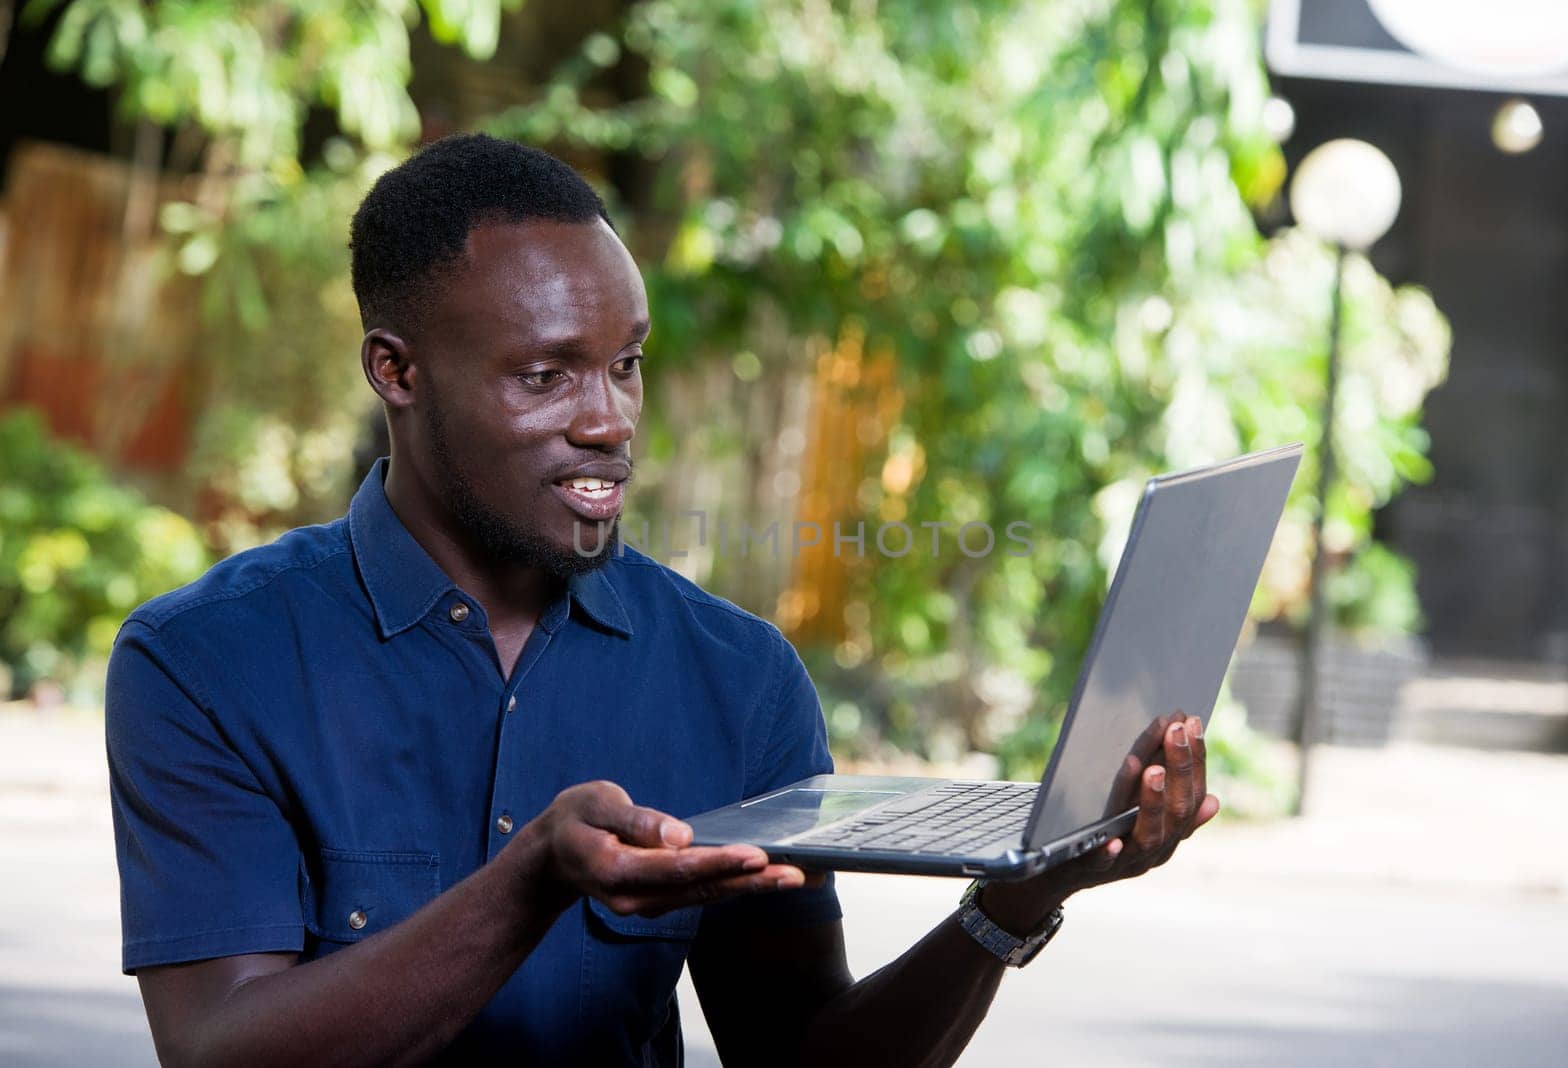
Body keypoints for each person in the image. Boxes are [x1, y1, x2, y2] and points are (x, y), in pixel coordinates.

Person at [106, 133, 1218, 1067]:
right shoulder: (205, 661)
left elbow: (799, 1053)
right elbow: (219, 1050)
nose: (609, 421)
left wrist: (1015, 902)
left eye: (625, 364)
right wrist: (532, 880)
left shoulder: (734, 677)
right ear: (396, 372)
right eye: (545, 376)